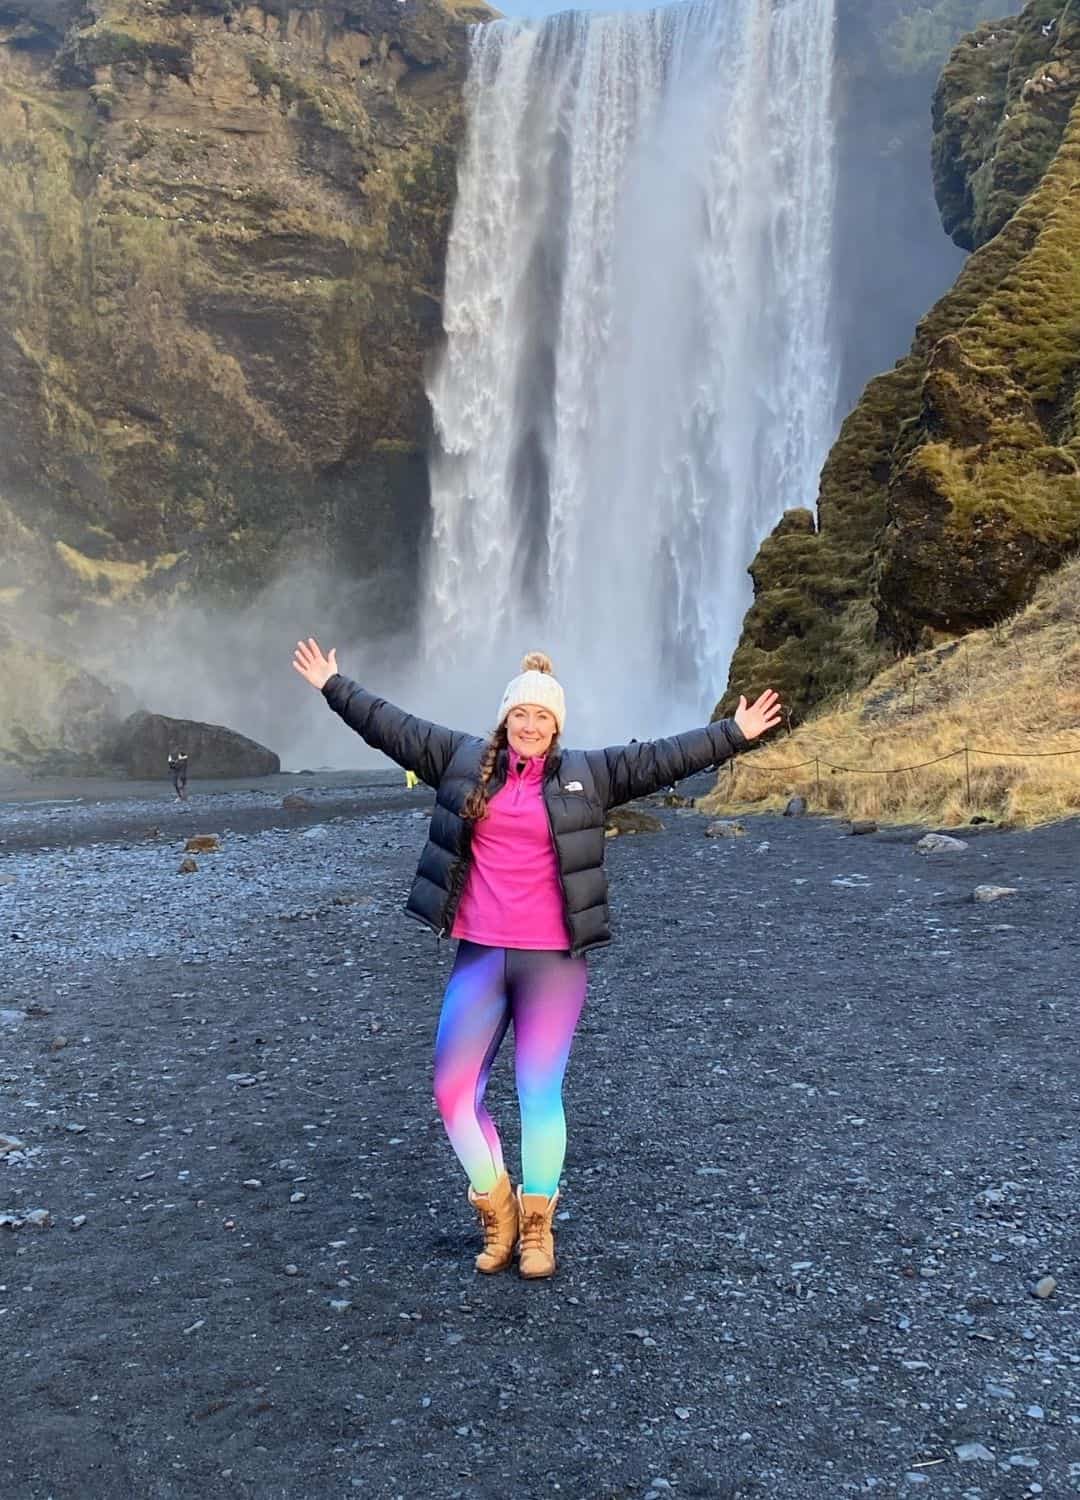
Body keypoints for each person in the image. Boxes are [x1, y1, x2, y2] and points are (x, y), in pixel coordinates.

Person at [292, 638, 781, 1279]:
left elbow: (664, 758)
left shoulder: (591, 774)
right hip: (481, 953)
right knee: (451, 1090)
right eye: (520, 714)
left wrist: (734, 733)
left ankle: (538, 1226)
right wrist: (335, 685)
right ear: (505, 718)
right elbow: (392, 728)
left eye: (543, 717)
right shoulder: (462, 761)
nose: (530, 726)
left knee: (538, 1092)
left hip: (552, 960)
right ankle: (497, 1208)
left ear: (557, 725)